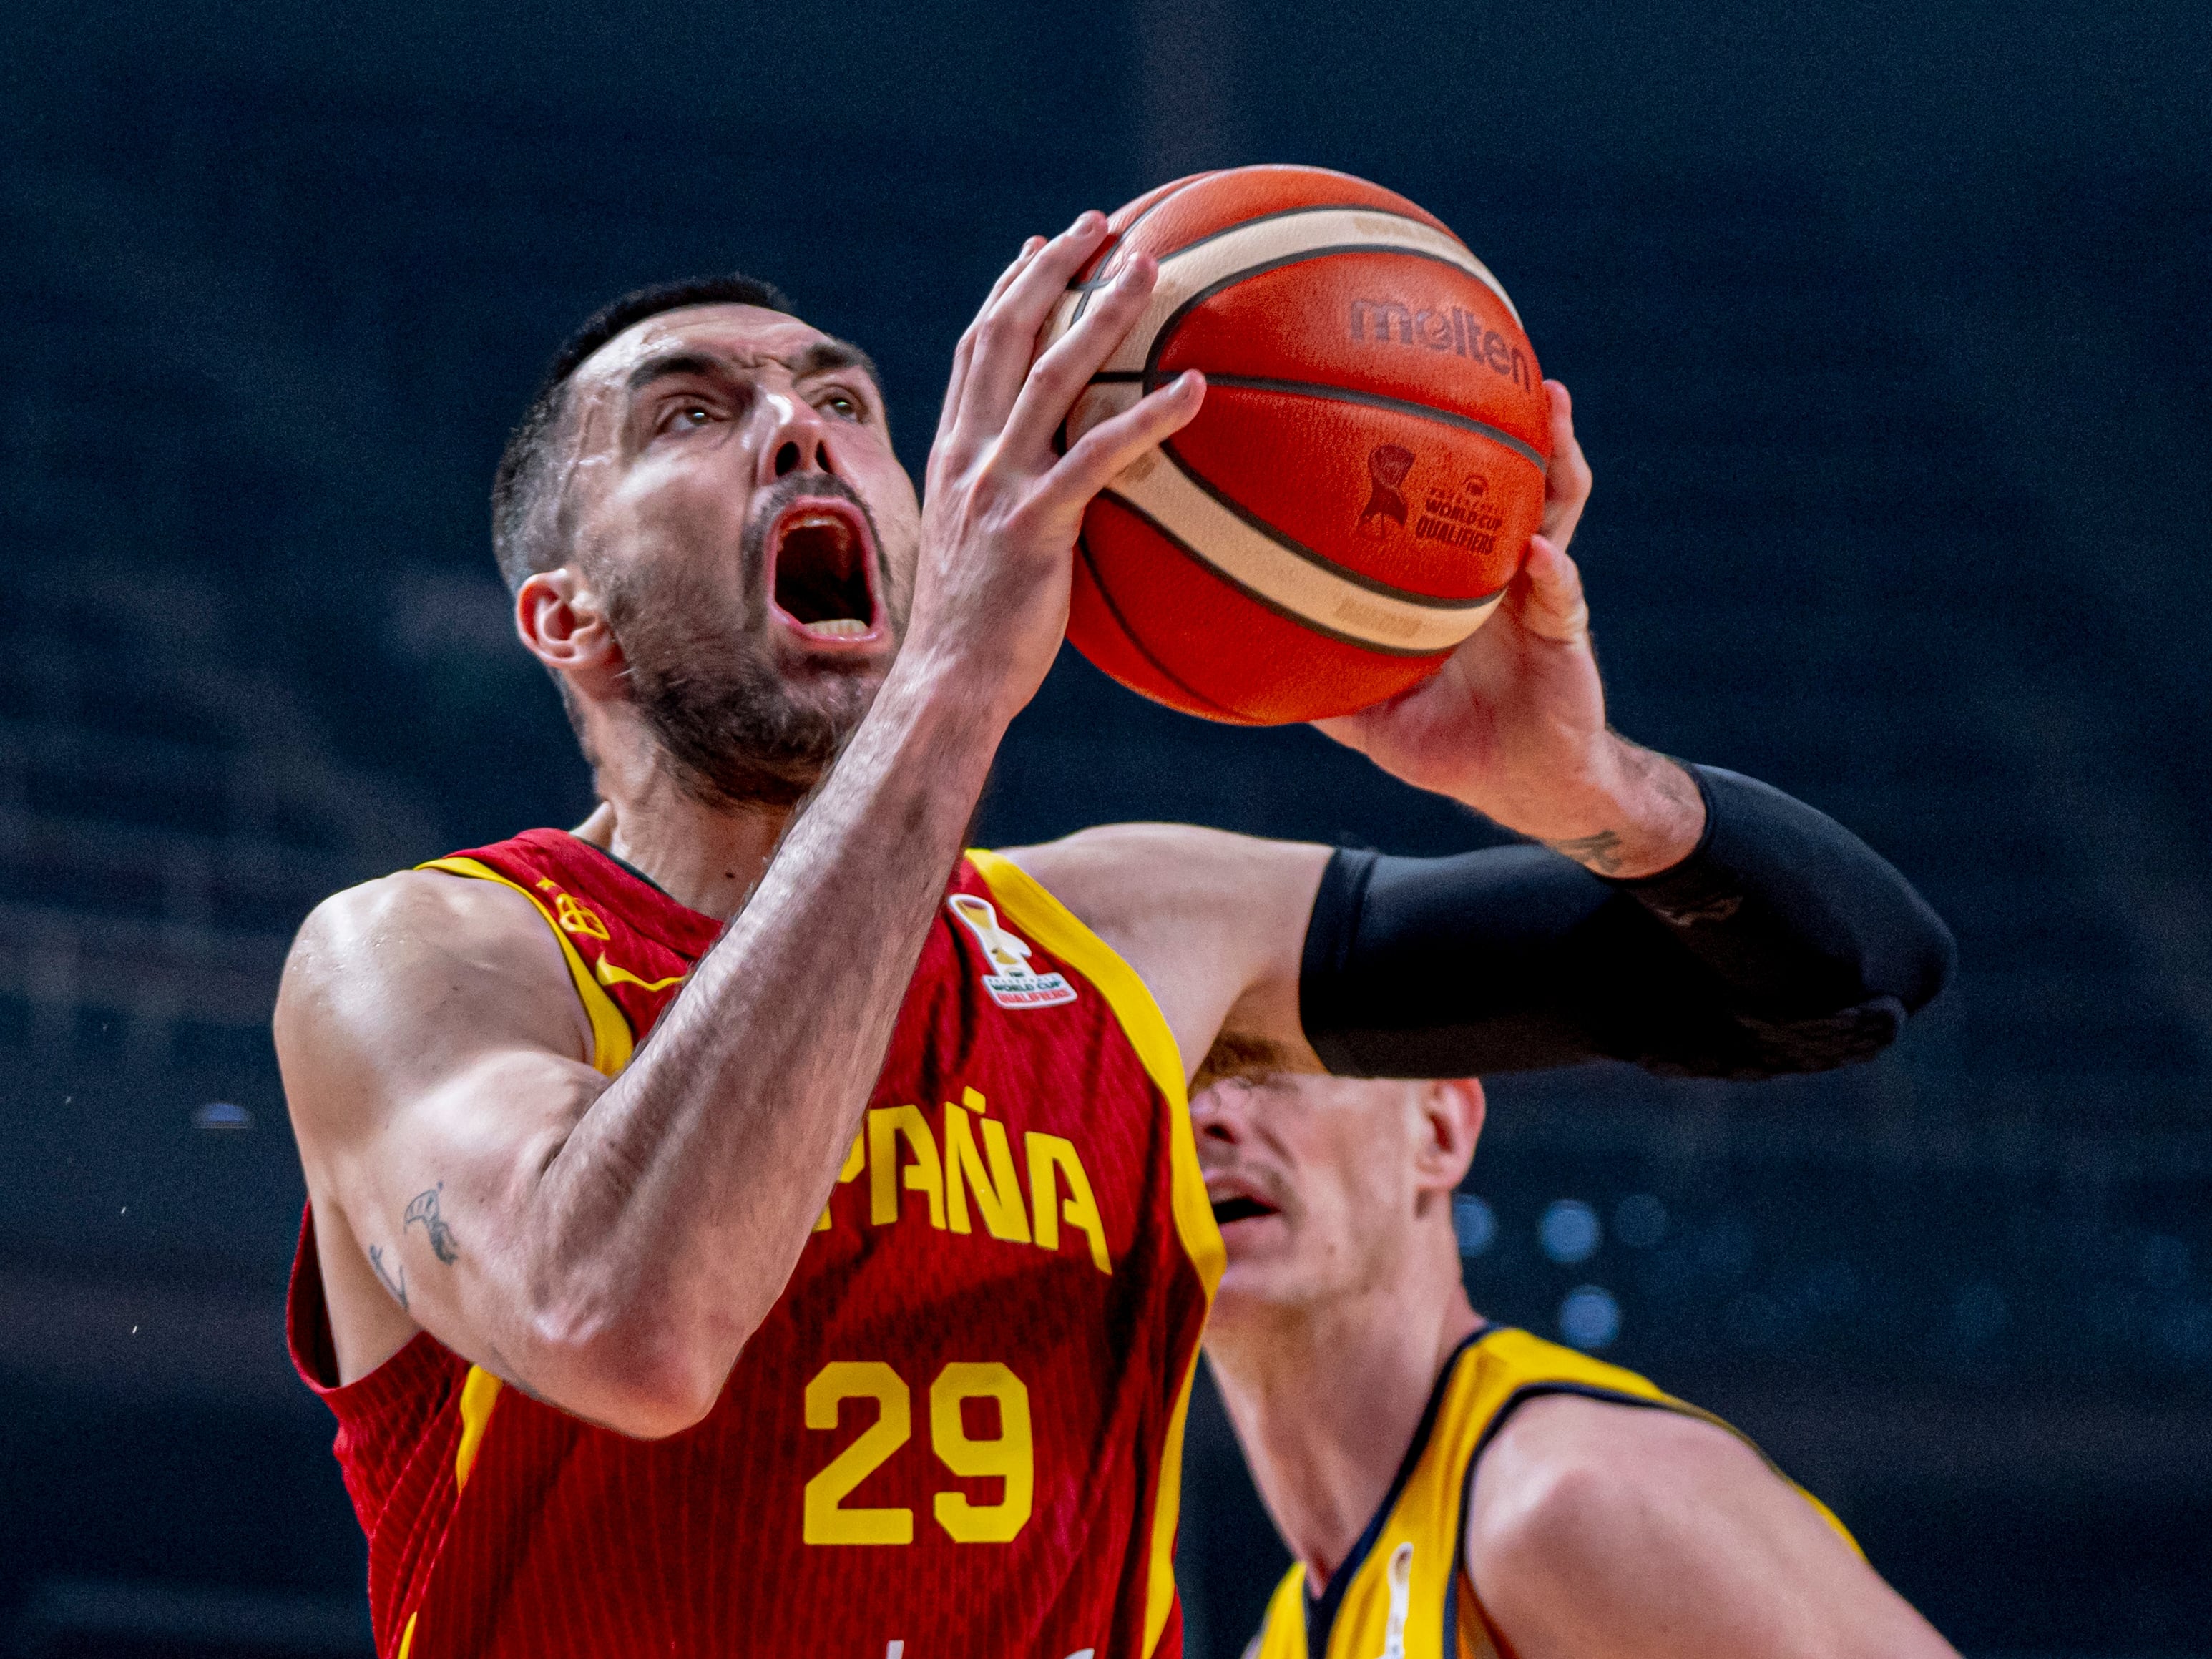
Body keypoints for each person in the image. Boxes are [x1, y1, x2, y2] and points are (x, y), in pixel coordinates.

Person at [275, 211, 1953, 1659]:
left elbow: (1838, 988)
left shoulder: (1130, 935)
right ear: (567, 622)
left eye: (845, 401)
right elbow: (615, 1323)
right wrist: (949, 692)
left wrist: (1594, 786)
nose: (799, 429)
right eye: (692, 416)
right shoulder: (431, 960)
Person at [1191, 1067, 1960, 1659]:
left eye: (1267, 1068)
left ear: (1437, 1127)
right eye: (1176, 1081)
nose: (1208, 1115)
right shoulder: (1296, 1628)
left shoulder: (1567, 1506)